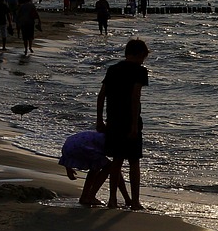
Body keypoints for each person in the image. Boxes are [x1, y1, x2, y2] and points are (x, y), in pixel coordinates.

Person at [96, 38, 150, 209]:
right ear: (141, 54)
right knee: (134, 161)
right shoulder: (140, 71)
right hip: (129, 119)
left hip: (113, 119)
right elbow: (135, 97)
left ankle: (112, 199)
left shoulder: (113, 69)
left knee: (117, 160)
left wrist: (99, 119)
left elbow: (101, 95)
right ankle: (135, 201)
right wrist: (134, 124)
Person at [58, 129, 130, 207]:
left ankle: (84, 197)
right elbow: (115, 171)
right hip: (83, 146)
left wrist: (68, 168)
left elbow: (69, 149)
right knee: (108, 167)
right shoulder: (113, 143)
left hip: (70, 144)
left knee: (95, 169)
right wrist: (127, 198)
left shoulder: (103, 137)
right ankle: (91, 196)